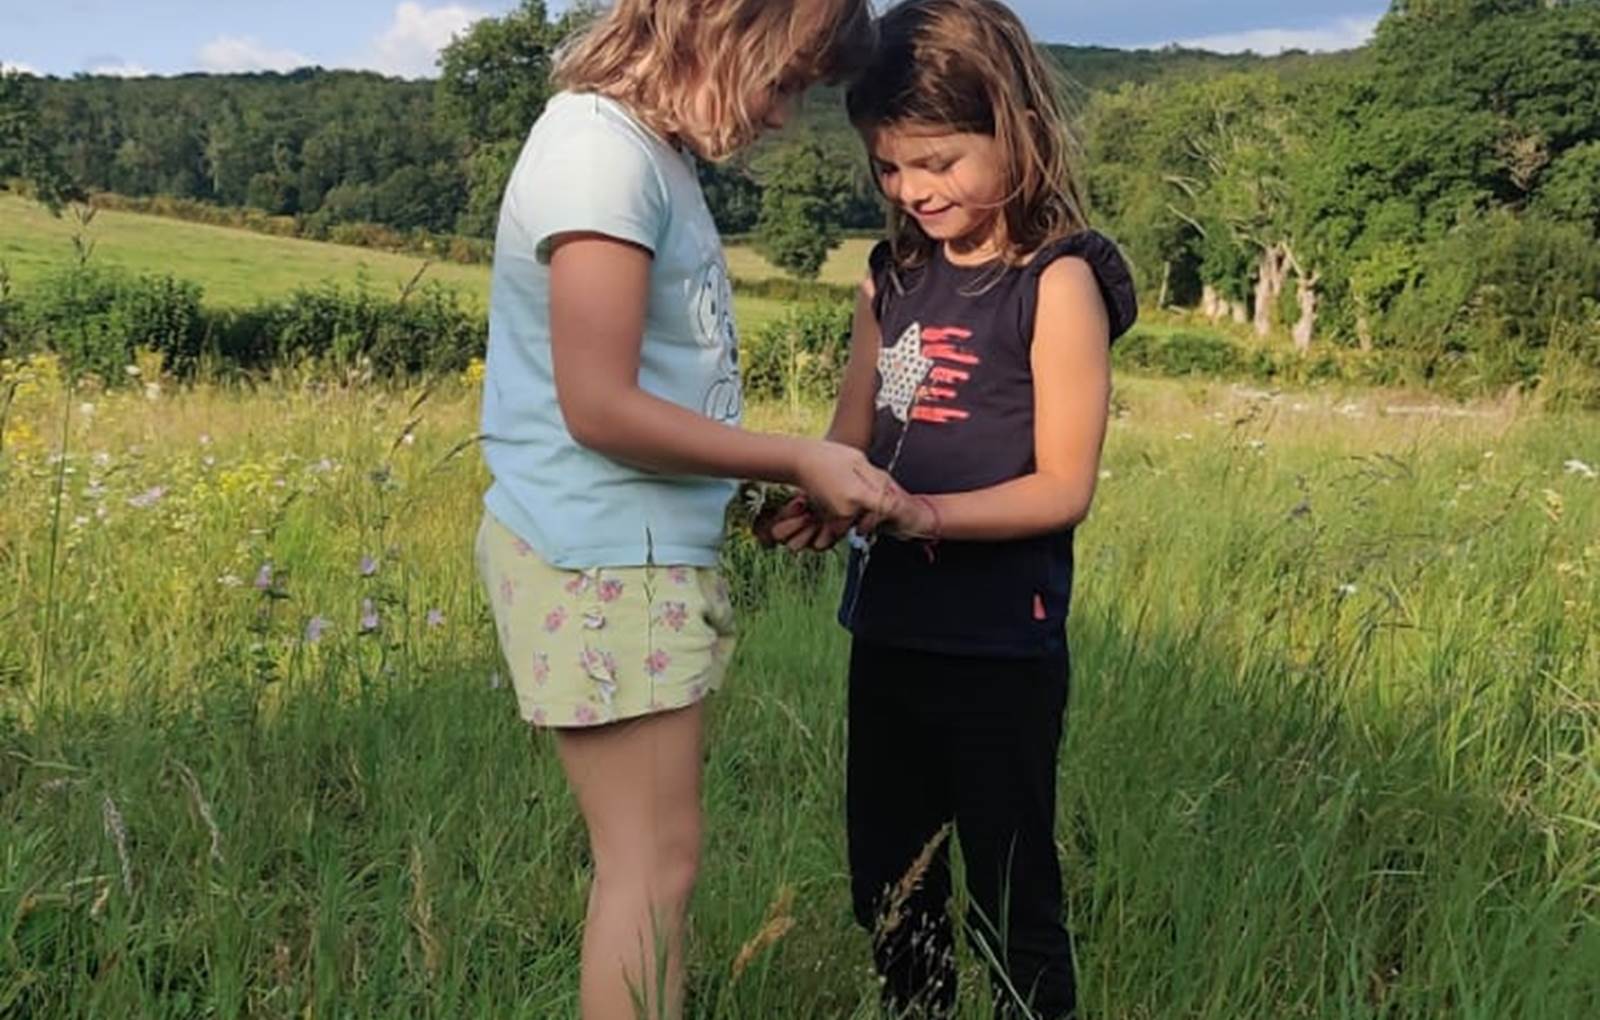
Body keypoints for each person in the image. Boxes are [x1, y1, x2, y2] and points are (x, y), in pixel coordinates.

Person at [474, 3, 880, 1017]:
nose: (785, 116)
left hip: (627, 547)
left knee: (659, 861)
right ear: (723, 24)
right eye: (783, 80)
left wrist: (761, 478)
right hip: (600, 552)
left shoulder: (650, 156)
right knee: (649, 870)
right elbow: (600, 407)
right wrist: (797, 451)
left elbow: (650, 390)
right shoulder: (596, 153)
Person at [765, 1, 1139, 1014]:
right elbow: (852, 438)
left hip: (999, 650)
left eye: (937, 161)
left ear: (1012, 126)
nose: (913, 189)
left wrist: (921, 517)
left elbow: (1063, 486)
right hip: (888, 633)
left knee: (1010, 888)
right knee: (891, 884)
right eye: (889, 167)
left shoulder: (1056, 280)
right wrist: (818, 497)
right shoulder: (890, 280)